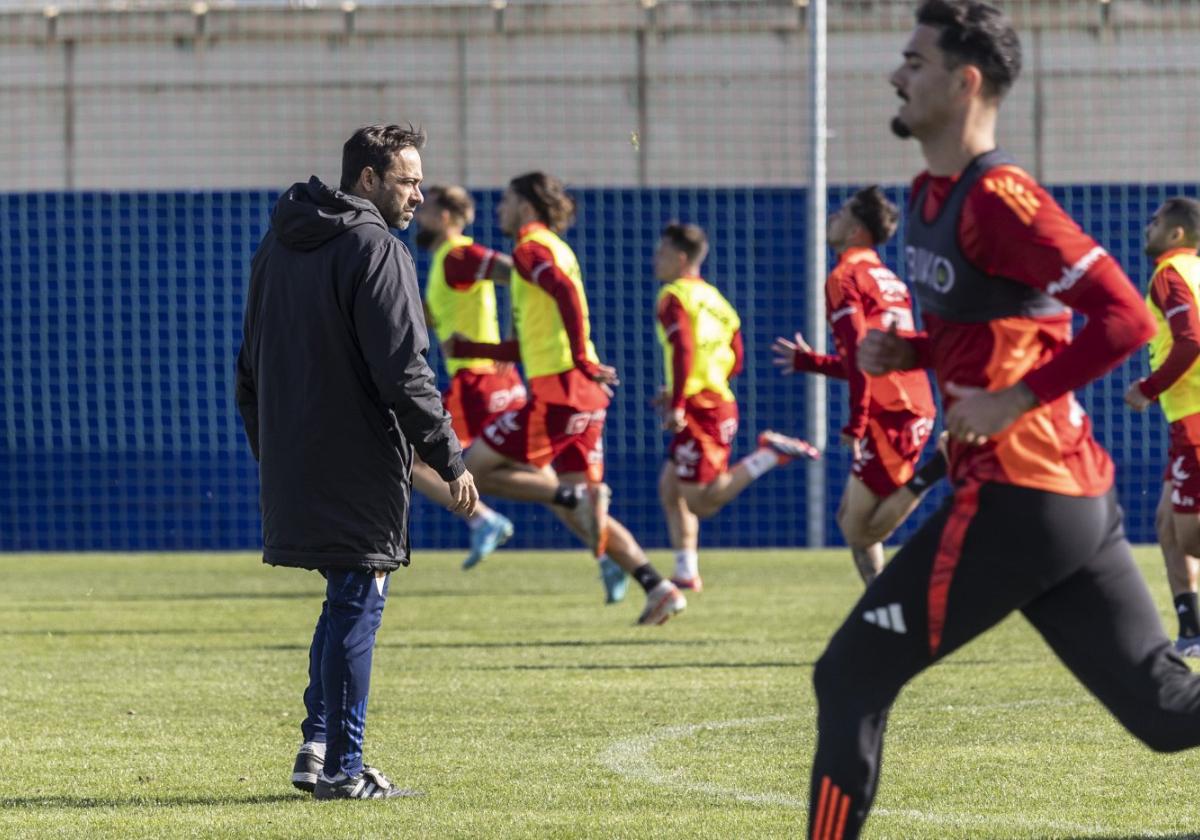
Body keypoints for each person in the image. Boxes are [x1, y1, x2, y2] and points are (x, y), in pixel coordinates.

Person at [806, 5, 1200, 838]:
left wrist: (1014, 401)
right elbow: (1000, 328)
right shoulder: (924, 196)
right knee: (1167, 713)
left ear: (965, 80)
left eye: (914, 60)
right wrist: (908, 353)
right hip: (1063, 500)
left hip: (1021, 495)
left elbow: (1125, 319)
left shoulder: (1005, 198)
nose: (895, 74)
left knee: (848, 677)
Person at [235, 124, 478, 801]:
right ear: (367, 180)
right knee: (359, 599)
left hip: (295, 460)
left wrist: (273, 453)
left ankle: (316, 747)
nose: (420, 195)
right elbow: (405, 369)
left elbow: (247, 367)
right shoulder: (376, 248)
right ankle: (345, 766)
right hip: (359, 463)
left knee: (343, 596)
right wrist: (447, 457)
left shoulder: (277, 243)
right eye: (408, 182)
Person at [443, 172, 684, 624]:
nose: (500, 210)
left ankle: (578, 497)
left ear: (527, 209)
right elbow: (531, 340)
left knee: (470, 470)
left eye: (507, 201)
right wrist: (473, 349)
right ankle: (658, 585)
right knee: (576, 512)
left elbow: (565, 290)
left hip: (560, 394)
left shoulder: (531, 247)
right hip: (582, 394)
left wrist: (577, 355)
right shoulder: (554, 247)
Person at [771, 187, 942, 584]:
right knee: (852, 521)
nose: (833, 217)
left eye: (843, 212)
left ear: (855, 231)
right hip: (903, 401)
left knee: (858, 528)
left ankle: (936, 469)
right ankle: (877, 608)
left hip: (892, 411)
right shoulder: (887, 278)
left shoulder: (845, 276)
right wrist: (810, 362)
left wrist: (857, 422)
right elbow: (867, 358)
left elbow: (860, 352)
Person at [652, 222, 820, 592]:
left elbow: (683, 350)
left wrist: (679, 400)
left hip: (700, 408)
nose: (655, 259)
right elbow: (736, 359)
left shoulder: (673, 296)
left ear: (681, 259)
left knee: (702, 502)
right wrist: (688, 387)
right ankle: (685, 570)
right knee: (670, 487)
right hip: (715, 399)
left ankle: (768, 455)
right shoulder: (716, 300)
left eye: (661, 252)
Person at [413, 184, 524, 570]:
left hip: (480, 383)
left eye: (426, 211)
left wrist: (513, 338)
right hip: (482, 381)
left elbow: (516, 272)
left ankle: (484, 519)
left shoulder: (459, 253)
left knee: (413, 459)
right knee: (519, 471)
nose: (419, 216)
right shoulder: (447, 259)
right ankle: (591, 515)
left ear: (444, 217)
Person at [1123, 197, 1200, 657]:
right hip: (1184, 416)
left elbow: (1191, 339)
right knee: (1167, 524)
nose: (1147, 228)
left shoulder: (1169, 273)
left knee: (1191, 537)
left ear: (1175, 234)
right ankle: (1191, 631)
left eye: (1154, 222)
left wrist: (1149, 387)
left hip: (1193, 415)